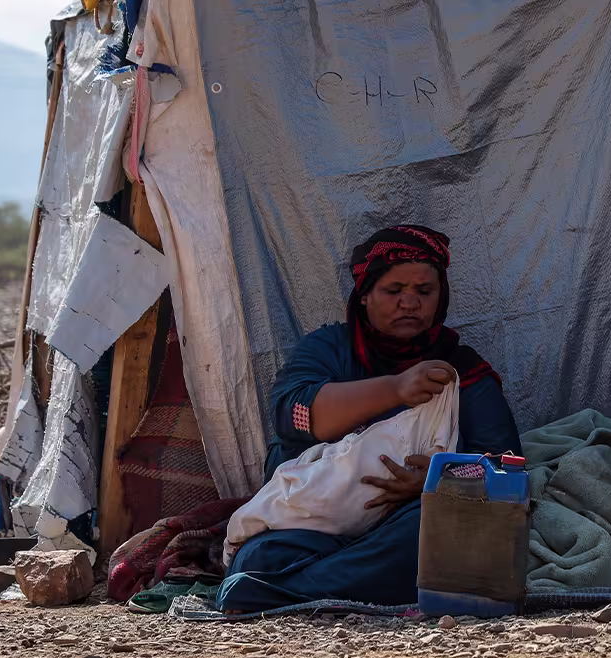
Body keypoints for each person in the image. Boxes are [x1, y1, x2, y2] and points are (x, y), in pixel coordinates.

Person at [217, 225, 522, 612]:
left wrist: (436, 479)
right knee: (259, 557)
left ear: (440, 297)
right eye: (394, 291)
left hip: (405, 523)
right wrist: (395, 389)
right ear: (364, 296)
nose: (409, 303)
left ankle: (283, 592)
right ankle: (313, 585)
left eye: (424, 292)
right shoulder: (329, 348)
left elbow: (506, 466)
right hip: (315, 523)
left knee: (464, 533)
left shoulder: (461, 370)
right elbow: (294, 415)